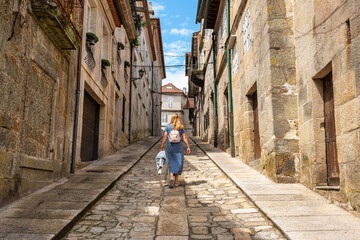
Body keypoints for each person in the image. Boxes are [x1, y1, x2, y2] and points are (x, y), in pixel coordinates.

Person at [160, 113, 191, 188]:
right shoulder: (181, 127)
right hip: (179, 147)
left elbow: (165, 136)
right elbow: (184, 137)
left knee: (171, 162)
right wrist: (188, 146)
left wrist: (162, 146)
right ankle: (176, 181)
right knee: (178, 162)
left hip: (170, 146)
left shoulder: (168, 126)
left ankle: (171, 178)